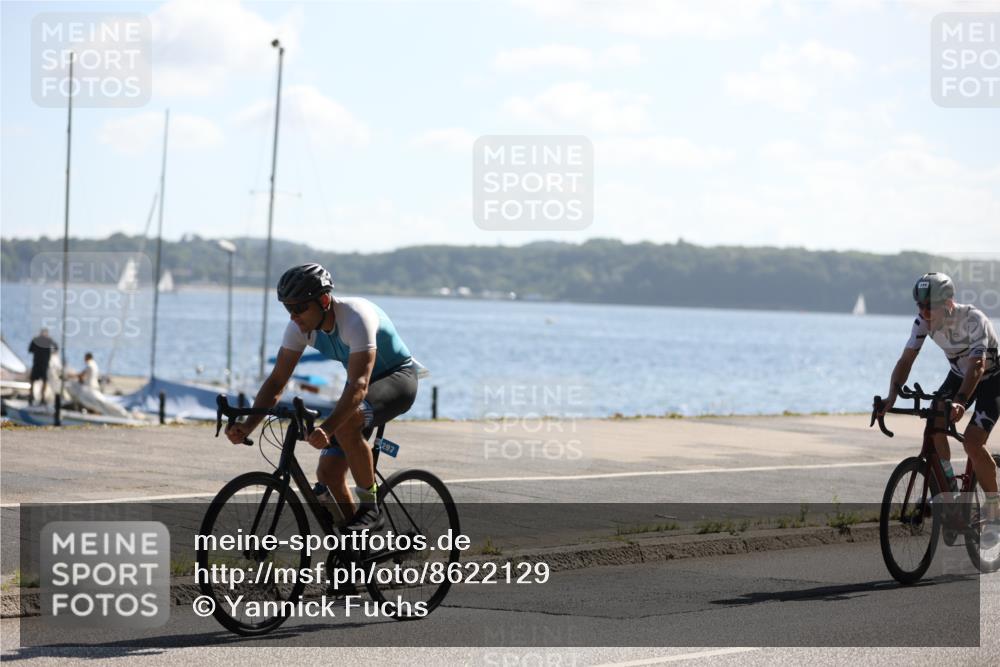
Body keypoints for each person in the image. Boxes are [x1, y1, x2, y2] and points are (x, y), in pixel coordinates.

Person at [225, 263, 417, 531]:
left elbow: (359, 384)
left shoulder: (355, 318)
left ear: (324, 300)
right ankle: (357, 549)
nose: (293, 316)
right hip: (360, 388)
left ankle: (370, 509)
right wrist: (247, 424)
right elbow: (277, 380)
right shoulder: (300, 328)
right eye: (287, 308)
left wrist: (328, 428)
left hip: (397, 380)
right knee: (328, 474)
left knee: (349, 423)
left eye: (299, 307)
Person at [879, 272, 1000, 547]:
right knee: (933, 425)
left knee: (972, 442)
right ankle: (954, 497)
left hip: (992, 379)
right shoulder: (923, 322)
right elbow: (906, 359)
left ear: (947, 302)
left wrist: (959, 401)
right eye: (919, 306)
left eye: (928, 306)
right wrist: (891, 396)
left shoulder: (974, 319)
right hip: (959, 375)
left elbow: (978, 366)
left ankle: (994, 512)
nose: (923, 311)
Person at [27, 328, 58, 405]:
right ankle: (41, 397)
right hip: (43, 364)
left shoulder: (36, 339)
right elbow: (56, 348)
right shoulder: (48, 340)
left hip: (38, 363)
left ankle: (32, 396)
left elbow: (30, 350)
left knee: (34, 380)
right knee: (42, 380)